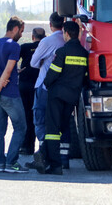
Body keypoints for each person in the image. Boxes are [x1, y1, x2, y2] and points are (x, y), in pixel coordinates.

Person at [35, 21, 88, 175]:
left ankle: (55, 165)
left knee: (52, 130)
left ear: (65, 33)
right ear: (77, 34)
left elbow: (53, 73)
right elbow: (85, 77)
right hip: (72, 97)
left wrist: (47, 83)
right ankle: (45, 156)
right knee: (62, 127)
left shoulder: (62, 51)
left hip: (57, 95)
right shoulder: (84, 53)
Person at [0, 16, 28, 173]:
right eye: (21, 31)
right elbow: (7, 71)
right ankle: (11, 163)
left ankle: (0, 164)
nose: (21, 35)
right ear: (15, 29)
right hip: (8, 93)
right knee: (21, 127)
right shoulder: (14, 46)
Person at [27, 12, 65, 168]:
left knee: (40, 121)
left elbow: (33, 63)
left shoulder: (47, 41)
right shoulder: (67, 40)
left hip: (44, 86)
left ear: (50, 25)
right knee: (57, 123)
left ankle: (43, 156)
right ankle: (58, 159)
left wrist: (44, 59)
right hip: (62, 88)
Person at [18, 27, 46, 155]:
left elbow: (12, 60)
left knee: (26, 116)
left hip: (24, 85)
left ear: (33, 37)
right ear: (44, 37)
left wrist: (15, 72)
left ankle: (27, 147)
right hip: (39, 86)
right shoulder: (47, 46)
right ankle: (42, 147)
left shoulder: (24, 47)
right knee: (39, 117)